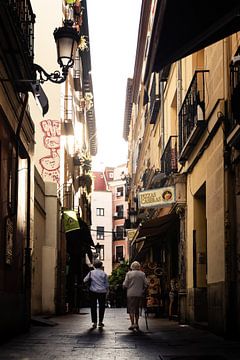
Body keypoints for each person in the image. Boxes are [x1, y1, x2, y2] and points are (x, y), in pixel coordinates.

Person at [123, 261, 148, 331]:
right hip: (139, 294)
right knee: (137, 309)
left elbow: (125, 284)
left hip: (130, 294)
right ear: (139, 266)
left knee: (131, 309)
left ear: (132, 267)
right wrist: (143, 290)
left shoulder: (128, 274)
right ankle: (137, 323)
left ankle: (132, 324)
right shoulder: (142, 274)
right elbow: (146, 284)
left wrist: (124, 286)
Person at [83, 259, 109, 329]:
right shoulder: (104, 274)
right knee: (102, 307)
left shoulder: (91, 273)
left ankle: (94, 322)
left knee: (93, 307)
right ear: (101, 266)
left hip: (93, 291)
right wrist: (107, 292)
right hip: (102, 292)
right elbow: (107, 285)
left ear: (94, 265)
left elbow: (84, 280)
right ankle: (100, 322)